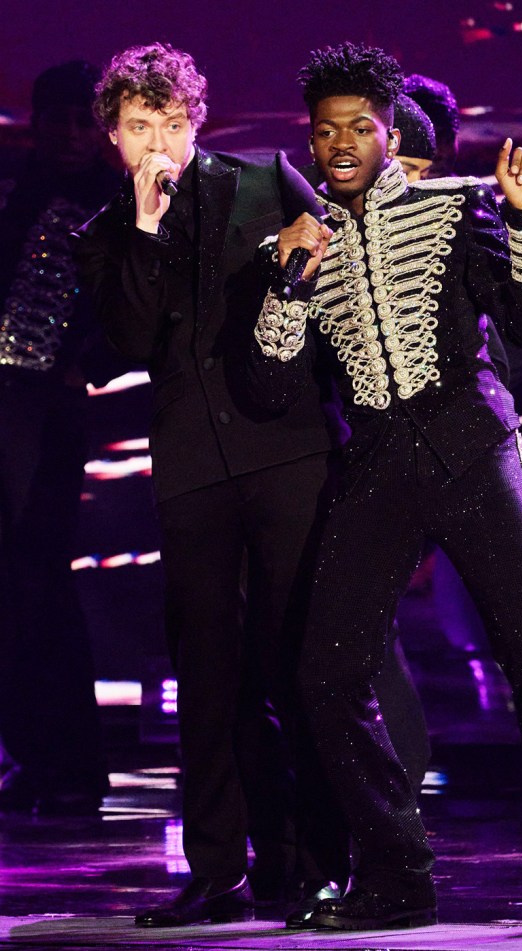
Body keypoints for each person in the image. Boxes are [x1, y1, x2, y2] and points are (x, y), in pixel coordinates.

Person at [250, 41, 522, 936]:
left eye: (358, 126)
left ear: (386, 131)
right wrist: (288, 286)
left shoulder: (456, 212)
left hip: (470, 446)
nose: (341, 142)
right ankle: (397, 871)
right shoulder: (298, 240)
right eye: (324, 128)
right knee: (325, 671)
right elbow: (267, 390)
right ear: (311, 139)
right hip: (376, 465)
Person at [71, 41, 430, 930]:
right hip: (192, 472)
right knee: (210, 675)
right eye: (137, 125)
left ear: (197, 120)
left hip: (291, 455)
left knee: (302, 660)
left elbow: (344, 283)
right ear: (113, 137)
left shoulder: (269, 180)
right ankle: (219, 869)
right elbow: (129, 336)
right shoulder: (107, 236)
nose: (157, 139)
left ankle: (312, 864)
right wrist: (148, 230)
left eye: (171, 120)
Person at [0, 60, 120, 816]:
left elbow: (129, 312)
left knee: (38, 577)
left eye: (85, 121)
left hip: (50, 412)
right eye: (60, 120)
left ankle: (67, 759)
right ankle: (37, 753)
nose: (72, 135)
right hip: (9, 405)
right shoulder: (14, 189)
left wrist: (87, 360)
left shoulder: (116, 200)